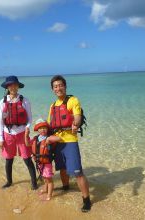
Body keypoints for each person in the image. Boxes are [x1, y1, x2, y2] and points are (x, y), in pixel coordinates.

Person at [48, 75, 91, 212]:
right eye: (55, 86)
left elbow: (77, 117)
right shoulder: (53, 106)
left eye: (60, 85)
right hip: (57, 141)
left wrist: (76, 124)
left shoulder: (72, 100)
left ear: (65, 86)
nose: (58, 88)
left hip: (70, 141)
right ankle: (66, 187)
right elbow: (50, 125)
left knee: (77, 172)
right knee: (62, 168)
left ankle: (86, 200)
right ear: (52, 89)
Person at [0, 75, 37, 190]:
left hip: (22, 134)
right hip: (7, 133)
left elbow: (30, 119)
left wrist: (27, 129)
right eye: (10, 85)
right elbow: (0, 121)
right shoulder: (2, 102)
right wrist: (1, 138)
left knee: (27, 159)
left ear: (18, 86)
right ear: (7, 87)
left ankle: (34, 183)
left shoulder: (24, 100)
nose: (12, 87)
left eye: (14, 84)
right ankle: (9, 182)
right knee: (9, 159)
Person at [25, 119, 61, 201]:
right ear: (37, 130)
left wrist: (49, 139)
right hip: (39, 163)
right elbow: (27, 144)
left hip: (47, 163)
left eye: (45, 128)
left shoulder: (48, 138)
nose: (43, 130)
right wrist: (26, 135)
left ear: (47, 129)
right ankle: (45, 189)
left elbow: (59, 139)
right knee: (44, 178)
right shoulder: (35, 138)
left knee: (49, 180)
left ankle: (49, 195)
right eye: (40, 128)